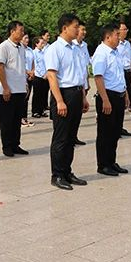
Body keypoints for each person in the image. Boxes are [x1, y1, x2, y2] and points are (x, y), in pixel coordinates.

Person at [46, 14, 89, 189]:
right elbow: (52, 76)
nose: (78, 30)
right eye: (75, 26)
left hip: (77, 93)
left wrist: (83, 97)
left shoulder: (76, 49)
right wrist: (59, 101)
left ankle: (67, 171)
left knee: (71, 137)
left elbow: (80, 75)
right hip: (63, 95)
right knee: (61, 138)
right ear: (65, 28)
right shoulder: (55, 49)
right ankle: (57, 175)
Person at [92, 23, 128, 176]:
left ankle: (111, 161)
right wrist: (105, 100)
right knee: (105, 133)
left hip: (119, 95)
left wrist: (125, 94)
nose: (119, 38)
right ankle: (103, 164)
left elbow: (119, 75)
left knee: (115, 132)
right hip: (108, 96)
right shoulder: (101, 53)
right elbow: (98, 77)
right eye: (116, 35)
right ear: (108, 37)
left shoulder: (116, 52)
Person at [0, 21, 29, 157]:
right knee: (6, 121)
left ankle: (15, 144)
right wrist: (5, 87)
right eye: (21, 30)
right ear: (12, 31)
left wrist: (25, 84)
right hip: (8, 89)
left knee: (16, 120)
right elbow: (0, 68)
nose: (23, 33)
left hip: (19, 89)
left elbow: (21, 67)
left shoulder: (21, 48)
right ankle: (7, 146)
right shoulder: (4, 46)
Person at [116, 20, 131, 136]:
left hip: (127, 72)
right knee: (119, 100)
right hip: (119, 73)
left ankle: (120, 126)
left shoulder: (127, 44)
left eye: (126, 29)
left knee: (125, 101)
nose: (126, 31)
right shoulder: (115, 44)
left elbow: (130, 60)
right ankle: (115, 127)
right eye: (124, 29)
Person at [31, 34, 49, 118]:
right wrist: (42, 74)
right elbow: (36, 65)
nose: (43, 45)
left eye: (43, 43)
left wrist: (46, 73)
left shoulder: (44, 52)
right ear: (36, 44)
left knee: (43, 94)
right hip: (38, 76)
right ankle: (35, 111)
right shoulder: (34, 53)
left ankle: (42, 110)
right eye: (41, 43)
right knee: (37, 94)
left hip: (45, 76)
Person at [21, 33, 35, 126]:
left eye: (28, 38)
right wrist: (27, 72)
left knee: (26, 98)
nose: (27, 40)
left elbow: (33, 62)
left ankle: (25, 118)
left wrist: (32, 72)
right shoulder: (19, 49)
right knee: (22, 98)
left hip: (30, 76)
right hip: (22, 76)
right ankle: (20, 118)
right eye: (25, 38)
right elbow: (20, 64)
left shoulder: (30, 50)